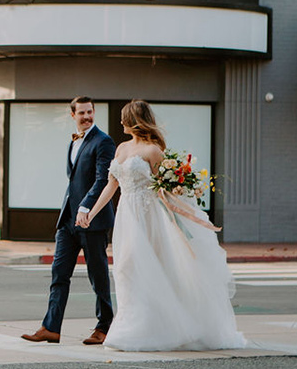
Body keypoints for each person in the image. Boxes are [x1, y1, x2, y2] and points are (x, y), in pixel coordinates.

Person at [81, 100, 245, 351]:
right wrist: (91, 213)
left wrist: (186, 215)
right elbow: (111, 186)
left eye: (124, 117)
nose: (120, 122)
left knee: (147, 267)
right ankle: (129, 326)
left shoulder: (152, 151)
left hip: (148, 217)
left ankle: (152, 329)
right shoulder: (121, 148)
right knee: (125, 268)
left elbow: (165, 191)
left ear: (133, 120)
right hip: (126, 216)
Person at [21, 96, 116, 345]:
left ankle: (104, 327)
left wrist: (86, 207)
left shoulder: (104, 141)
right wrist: (72, 212)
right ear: (72, 115)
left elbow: (102, 180)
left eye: (90, 112)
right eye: (81, 113)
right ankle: (50, 328)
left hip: (92, 221)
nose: (86, 117)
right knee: (59, 274)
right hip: (68, 221)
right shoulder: (72, 143)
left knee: (98, 276)